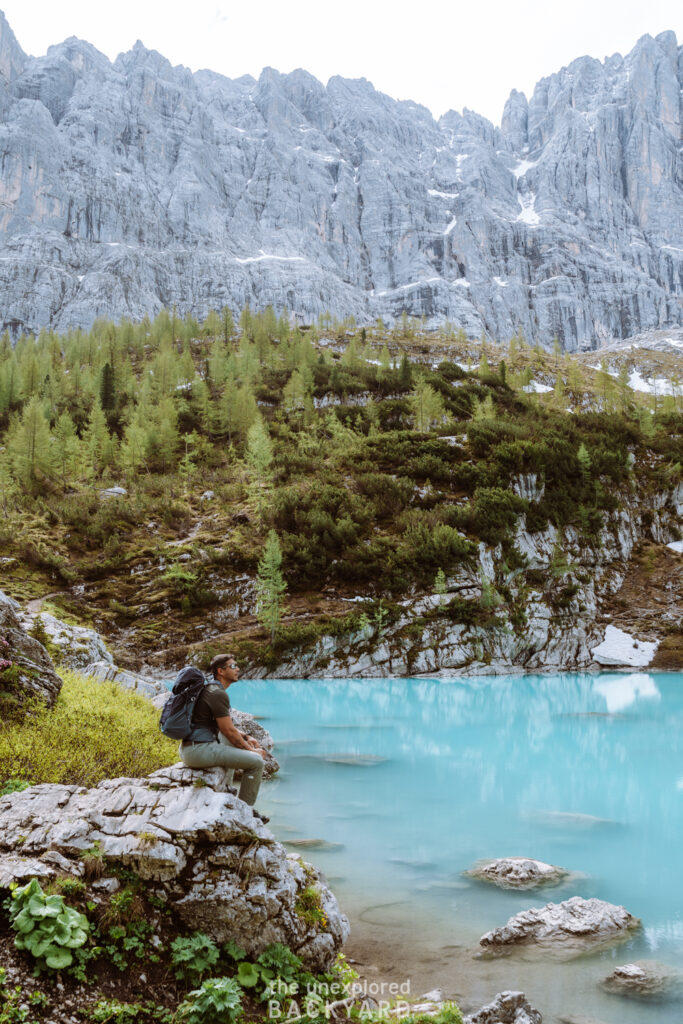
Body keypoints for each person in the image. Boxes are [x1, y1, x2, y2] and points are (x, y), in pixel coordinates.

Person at [178, 653, 268, 818]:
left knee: (236, 742)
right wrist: (251, 752)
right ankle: (244, 812)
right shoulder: (217, 693)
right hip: (199, 751)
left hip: (190, 748)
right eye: (233, 666)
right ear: (220, 671)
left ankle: (227, 791)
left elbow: (226, 727)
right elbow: (228, 731)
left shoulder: (211, 688)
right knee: (256, 763)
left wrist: (247, 736)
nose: (237, 669)